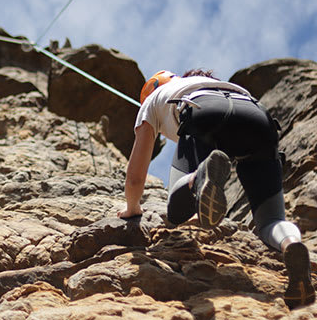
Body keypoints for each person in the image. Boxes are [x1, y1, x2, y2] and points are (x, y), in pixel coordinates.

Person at [118, 69, 315, 309]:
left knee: (177, 210)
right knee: (271, 220)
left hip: (203, 112)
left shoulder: (152, 99)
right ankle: (292, 244)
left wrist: (132, 208)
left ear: (152, 88)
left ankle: (198, 179)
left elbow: (136, 178)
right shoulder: (211, 82)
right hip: (258, 118)